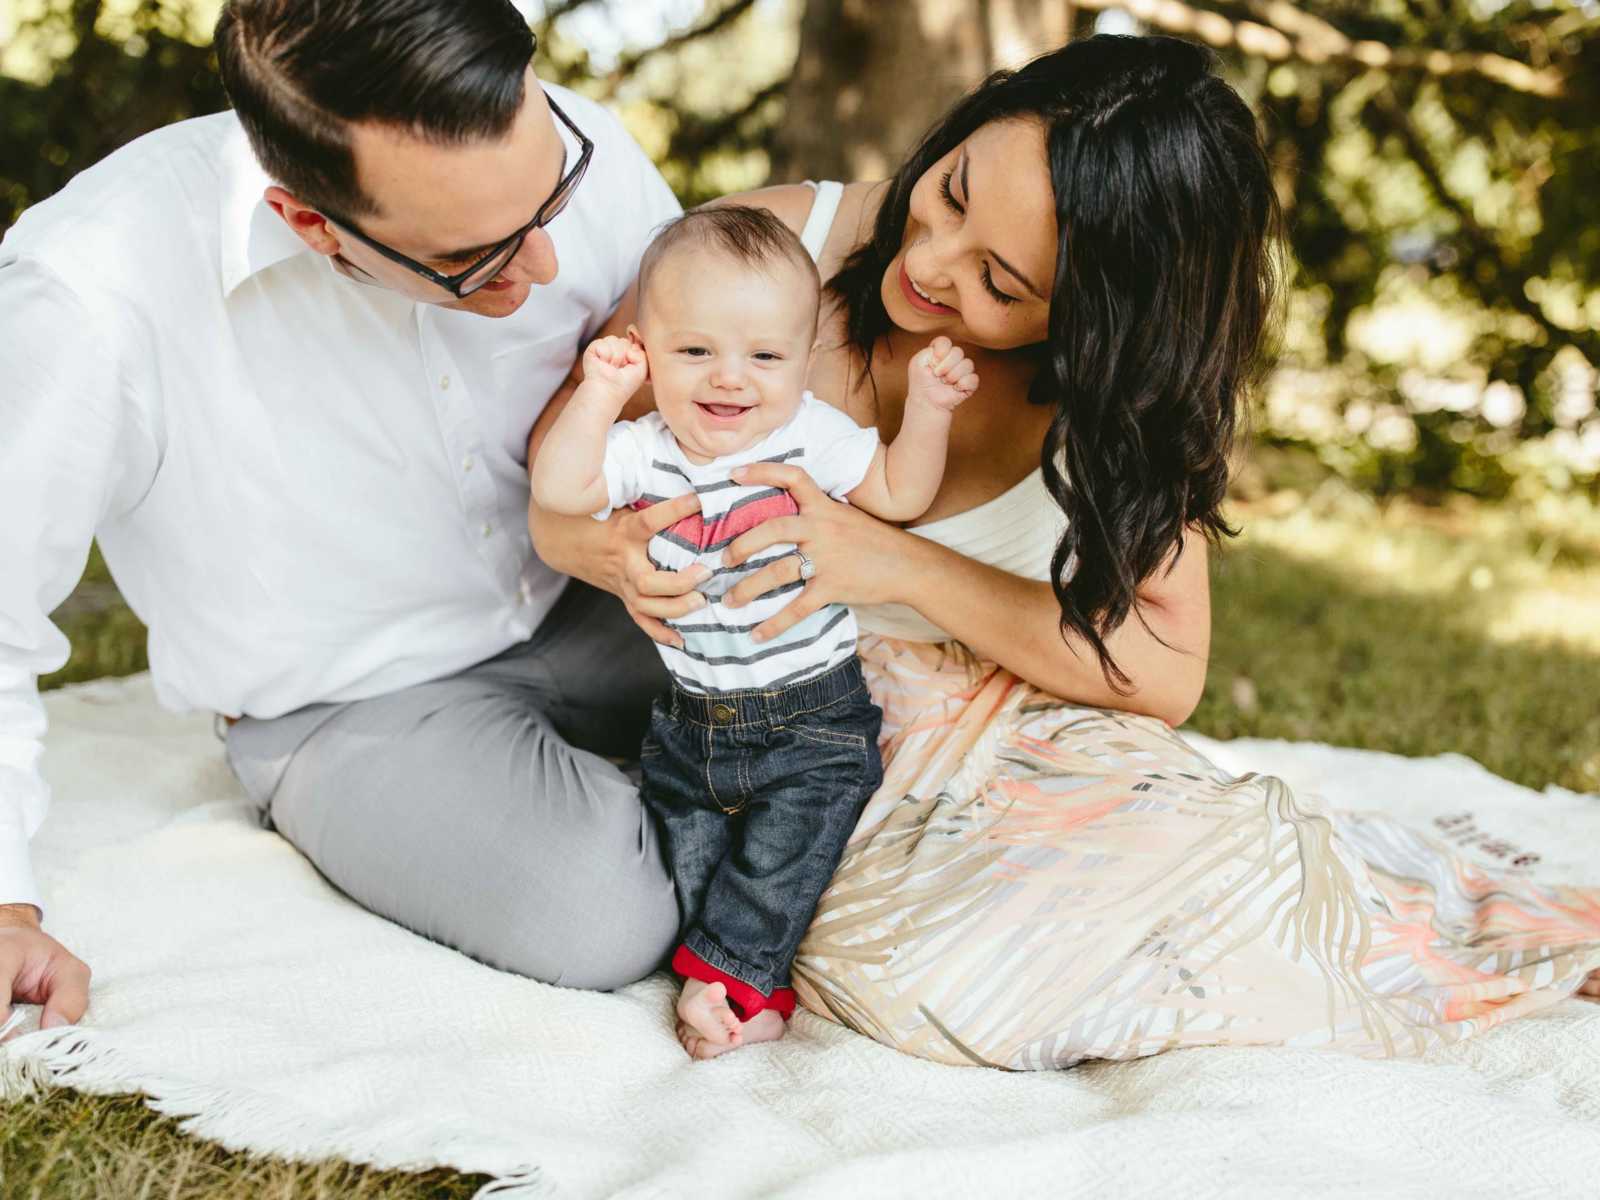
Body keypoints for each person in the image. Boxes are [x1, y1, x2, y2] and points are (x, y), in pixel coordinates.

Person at [530, 34, 1600, 1069]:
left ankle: (1456, 936)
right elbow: (554, 497)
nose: (929, 264)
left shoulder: (1115, 405)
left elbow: (1164, 670)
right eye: (947, 191)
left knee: (1195, 865)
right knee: (929, 970)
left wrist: (893, 564)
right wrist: (622, 554)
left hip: (996, 725)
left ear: (1093, 320)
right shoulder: (762, 254)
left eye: (1003, 285)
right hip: (771, 725)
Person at [0, 0, 700, 1031]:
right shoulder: (90, 288)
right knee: (598, 916)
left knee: (859, 686)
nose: (545, 266)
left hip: (591, 593)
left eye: (551, 203)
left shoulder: (569, 138)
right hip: (353, 704)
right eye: (478, 258)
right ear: (311, 225)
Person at [532, 206, 977, 1056]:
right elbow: (560, 491)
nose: (729, 379)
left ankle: (737, 988)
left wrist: (928, 409)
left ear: (803, 364)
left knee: (782, 856)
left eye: (763, 356)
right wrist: (597, 395)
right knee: (686, 871)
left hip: (811, 719)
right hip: (691, 722)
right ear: (649, 348)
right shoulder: (641, 447)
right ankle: (727, 967)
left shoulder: (813, 438)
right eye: (694, 351)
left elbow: (898, 492)